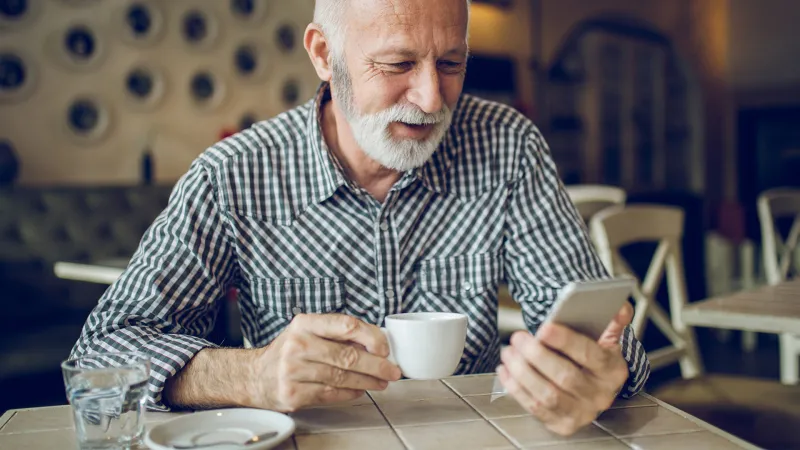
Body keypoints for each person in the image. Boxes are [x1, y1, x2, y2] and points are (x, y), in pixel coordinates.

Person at [70, 0, 650, 436]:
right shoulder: (233, 176)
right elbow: (100, 356)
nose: (431, 98)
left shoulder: (508, 147)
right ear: (324, 54)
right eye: (397, 63)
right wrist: (252, 376)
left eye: (451, 62)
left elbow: (599, 335)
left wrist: (602, 373)